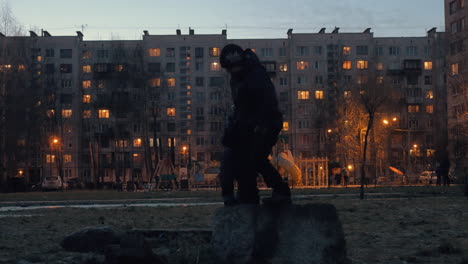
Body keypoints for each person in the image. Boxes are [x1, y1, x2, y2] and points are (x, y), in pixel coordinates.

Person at [219, 43, 291, 206]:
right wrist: (234, 127)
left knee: (256, 157)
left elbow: (266, 102)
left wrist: (261, 126)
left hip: (267, 122)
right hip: (250, 124)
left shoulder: (255, 73)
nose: (231, 72)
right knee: (245, 158)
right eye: (228, 69)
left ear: (238, 63)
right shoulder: (236, 79)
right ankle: (248, 195)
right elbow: (240, 107)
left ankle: (281, 191)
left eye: (232, 68)